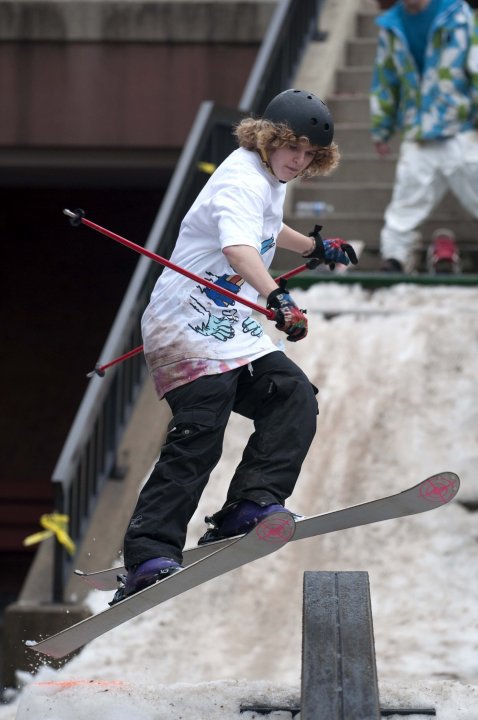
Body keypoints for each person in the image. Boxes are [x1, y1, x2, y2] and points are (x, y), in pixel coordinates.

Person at [111, 89, 358, 603]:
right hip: (184, 322)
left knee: (291, 396)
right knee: (201, 429)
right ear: (271, 139)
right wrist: (278, 296)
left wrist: (314, 246)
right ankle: (149, 553)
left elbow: (265, 229)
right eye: (294, 148)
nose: (299, 161)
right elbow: (238, 247)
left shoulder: (269, 176)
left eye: (311, 155)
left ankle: (250, 504)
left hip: (226, 325)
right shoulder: (241, 179)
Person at [370, 0, 478, 272]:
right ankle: (393, 260)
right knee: (406, 200)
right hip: (419, 131)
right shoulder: (391, 25)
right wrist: (382, 128)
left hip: (461, 128)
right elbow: (386, 78)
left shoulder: (457, 13)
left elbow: (475, 63)